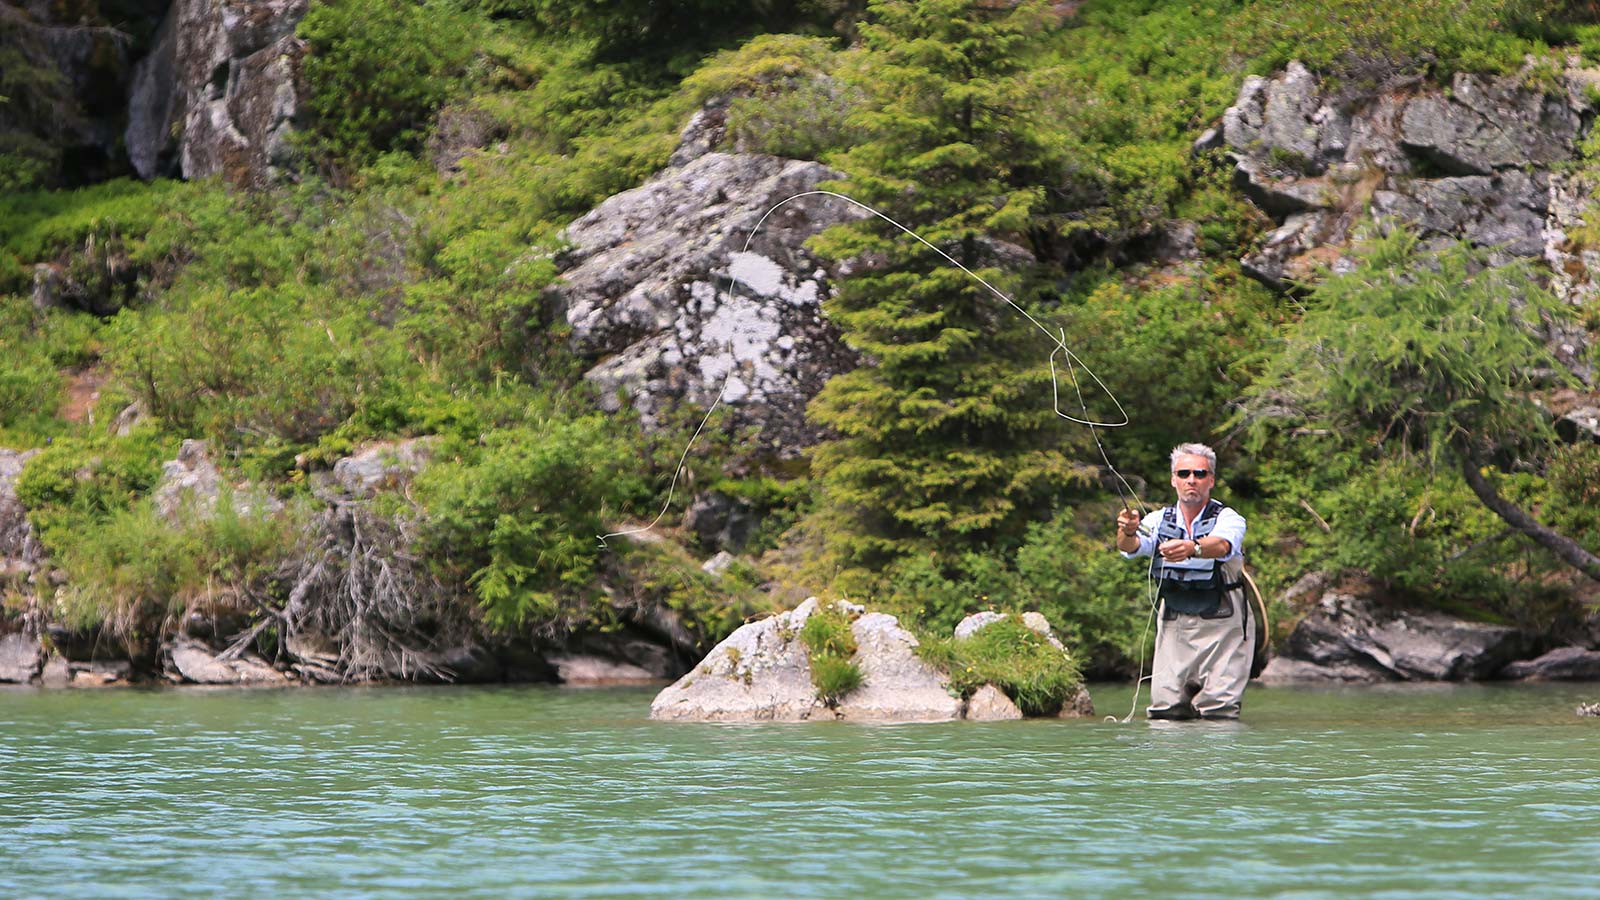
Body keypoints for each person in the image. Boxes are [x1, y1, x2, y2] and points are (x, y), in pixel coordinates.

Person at [1115, 443, 1251, 720]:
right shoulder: (1156, 520)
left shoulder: (1229, 518)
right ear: (1173, 479)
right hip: (1174, 625)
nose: (1192, 480)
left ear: (1210, 480)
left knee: (1219, 713)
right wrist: (1126, 530)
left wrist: (1193, 549)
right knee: (1166, 711)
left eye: (1200, 474)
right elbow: (1130, 547)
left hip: (1223, 626)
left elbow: (1223, 545)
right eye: (1184, 473)